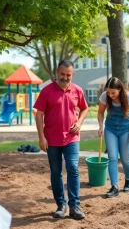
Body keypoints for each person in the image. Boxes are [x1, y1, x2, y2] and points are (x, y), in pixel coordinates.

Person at [34, 60, 88, 220]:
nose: (65, 77)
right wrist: (41, 137)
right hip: (51, 138)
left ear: (73, 74)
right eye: (63, 74)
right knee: (56, 171)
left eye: (68, 75)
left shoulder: (77, 90)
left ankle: (74, 205)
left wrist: (79, 123)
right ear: (57, 72)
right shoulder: (47, 91)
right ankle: (61, 205)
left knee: (73, 167)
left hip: (72, 137)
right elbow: (39, 114)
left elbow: (85, 108)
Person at [97, 77, 129, 198]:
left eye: (113, 93)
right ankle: (114, 186)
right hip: (110, 129)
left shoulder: (128, 97)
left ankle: (128, 179)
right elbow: (100, 112)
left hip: (126, 129)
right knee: (112, 158)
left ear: (120, 89)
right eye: (108, 92)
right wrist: (101, 126)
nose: (110, 95)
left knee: (125, 158)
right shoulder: (105, 96)